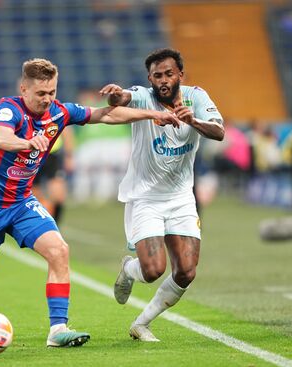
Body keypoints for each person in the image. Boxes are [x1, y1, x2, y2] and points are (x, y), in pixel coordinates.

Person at [0, 58, 180, 347]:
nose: (47, 99)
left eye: (51, 92)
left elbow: (106, 115)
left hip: (22, 202)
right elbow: (1, 139)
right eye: (40, 94)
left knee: (59, 250)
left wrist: (152, 115)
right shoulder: (8, 109)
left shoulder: (60, 112)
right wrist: (28, 143)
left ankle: (57, 329)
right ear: (23, 89)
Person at [100, 48, 225, 342]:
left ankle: (142, 323)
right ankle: (129, 269)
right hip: (146, 198)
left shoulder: (197, 98)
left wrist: (193, 120)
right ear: (150, 79)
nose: (163, 80)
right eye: (157, 76)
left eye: (169, 74)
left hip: (181, 197)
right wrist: (114, 96)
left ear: (181, 74)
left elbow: (219, 132)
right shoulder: (143, 96)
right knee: (154, 269)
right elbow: (120, 101)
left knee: (186, 272)